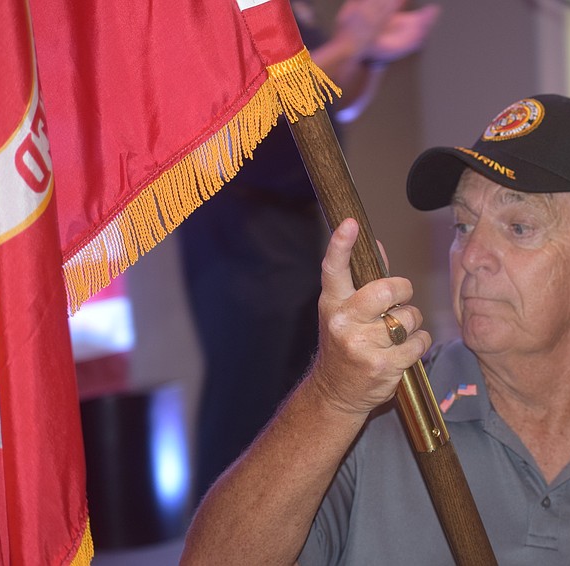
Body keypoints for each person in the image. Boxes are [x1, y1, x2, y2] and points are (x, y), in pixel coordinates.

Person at [180, 94, 570, 564]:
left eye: (518, 227)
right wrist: (332, 396)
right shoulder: (373, 426)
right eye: (462, 224)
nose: (470, 255)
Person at [179, 0, 440, 500]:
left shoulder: (298, 12)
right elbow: (258, 106)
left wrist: (372, 55)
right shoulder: (228, 9)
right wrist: (354, 41)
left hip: (294, 219)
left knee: (291, 390)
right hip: (243, 221)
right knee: (246, 393)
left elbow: (336, 102)